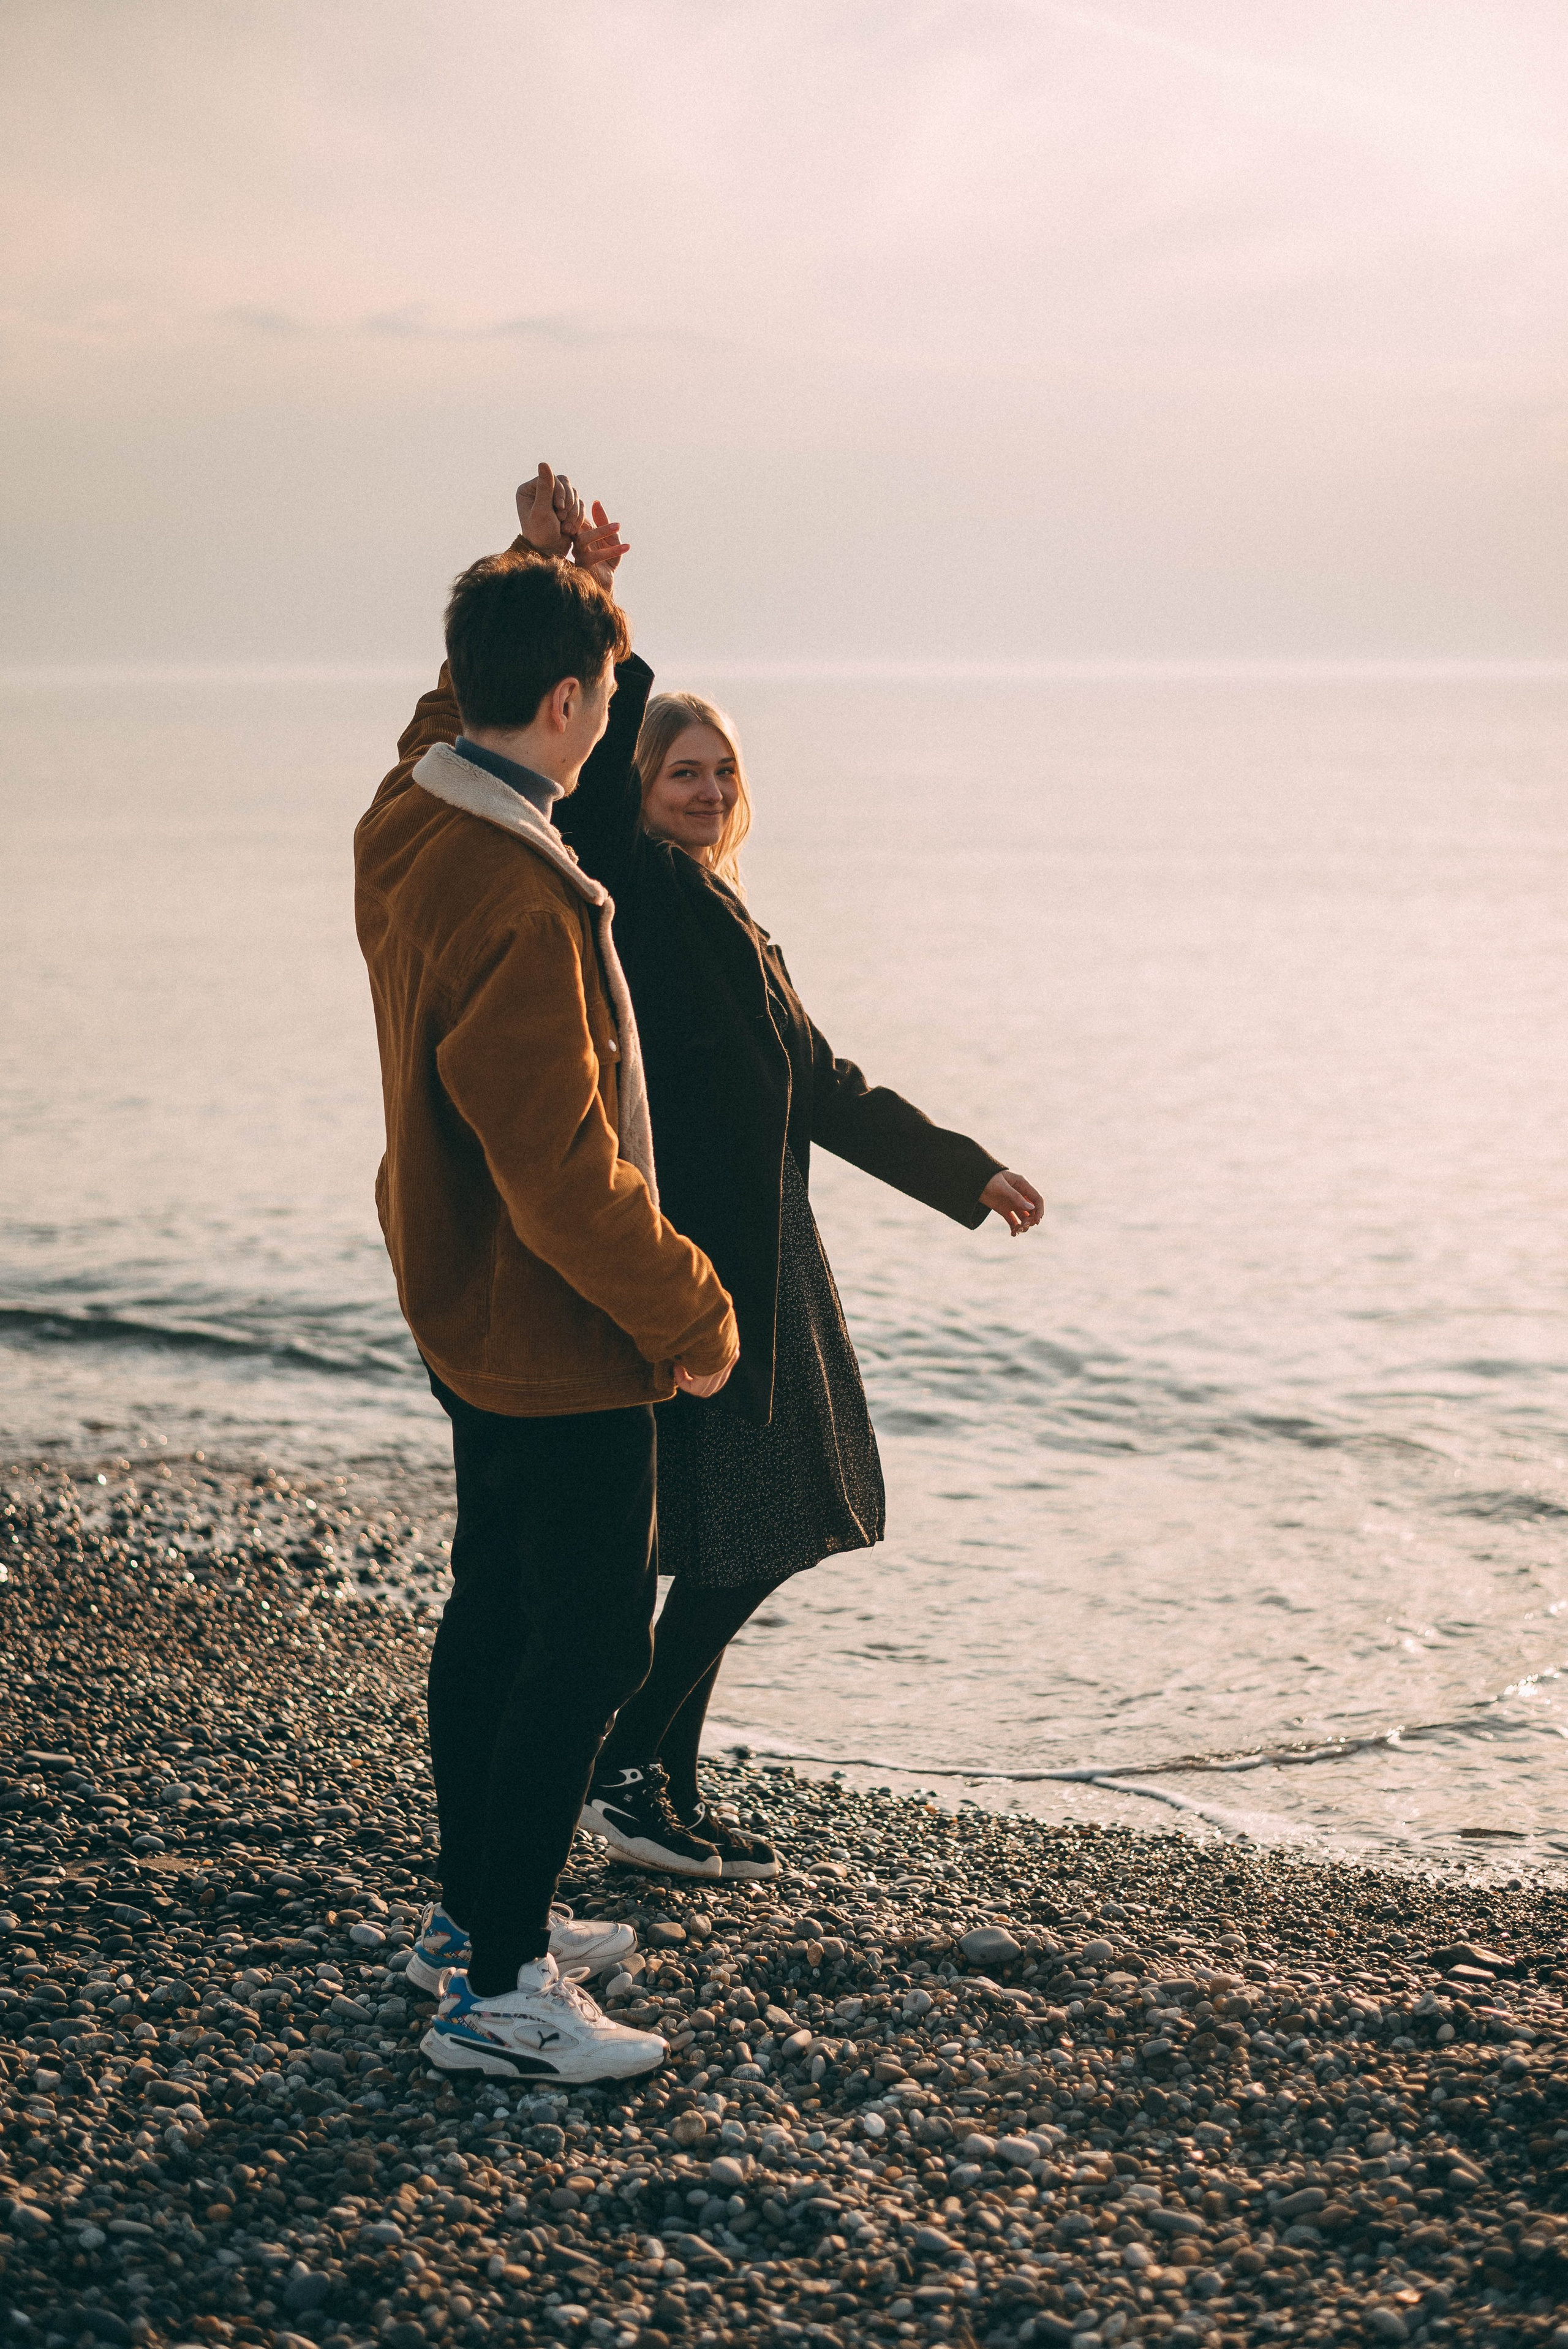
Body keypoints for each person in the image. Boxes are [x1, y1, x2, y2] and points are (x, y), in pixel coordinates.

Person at [391, 464, 1044, 1885]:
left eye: (719, 773)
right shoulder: (617, 872)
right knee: (735, 1533)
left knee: (764, 1521)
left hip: (756, 1252)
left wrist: (965, 1170)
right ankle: (617, 1775)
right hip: (671, 1264)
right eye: (676, 771)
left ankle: (644, 1777)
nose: (700, 791)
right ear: (626, 775)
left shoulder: (723, 909)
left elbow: (815, 1080)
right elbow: (522, 712)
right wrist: (596, 605)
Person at [354, 546, 739, 2081]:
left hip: (462, 1305)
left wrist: (554, 578)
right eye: (600, 705)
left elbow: (440, 716)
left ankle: (472, 1921)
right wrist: (694, 1309)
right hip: (556, 1330)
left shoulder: (413, 815)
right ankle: (501, 1992)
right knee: (583, 1643)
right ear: (571, 703)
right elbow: (562, 1174)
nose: (607, 736)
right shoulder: (514, 886)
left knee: (497, 1610)